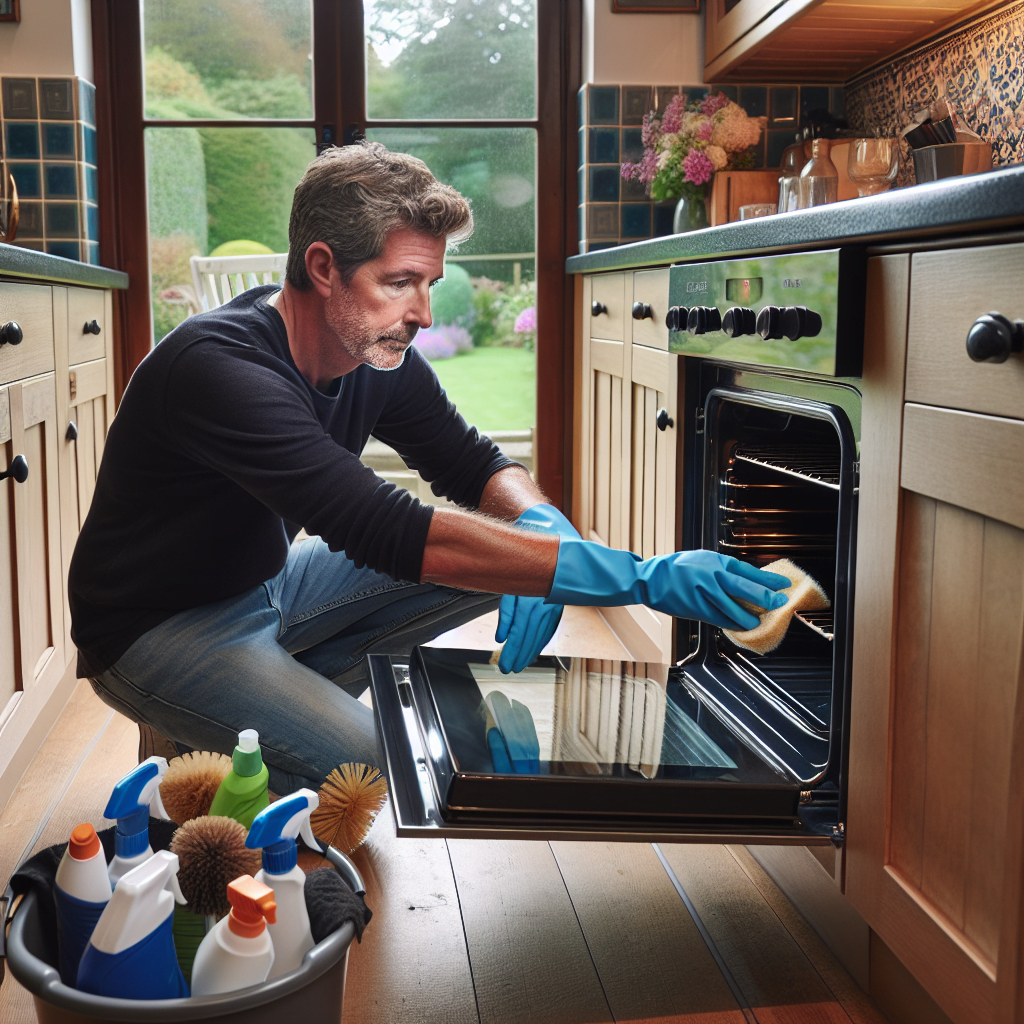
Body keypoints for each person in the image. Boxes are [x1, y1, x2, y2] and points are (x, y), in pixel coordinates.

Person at [69, 142, 788, 795]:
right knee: (377, 766)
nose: (422, 313)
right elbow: (381, 527)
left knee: (511, 549)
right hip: (159, 630)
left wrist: (547, 526)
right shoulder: (220, 368)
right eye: (400, 281)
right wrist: (637, 576)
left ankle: (255, 708)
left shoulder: (374, 351)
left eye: (430, 283)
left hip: (269, 581)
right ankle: (223, 718)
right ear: (323, 267)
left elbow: (473, 463)